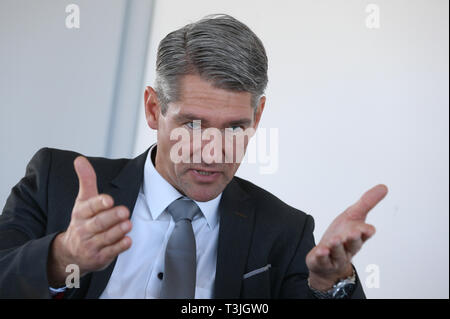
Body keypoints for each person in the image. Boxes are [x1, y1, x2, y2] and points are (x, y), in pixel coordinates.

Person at [0, 14, 387, 299]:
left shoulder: (285, 230)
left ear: (258, 116)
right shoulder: (55, 183)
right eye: (194, 125)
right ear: (154, 109)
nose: (213, 151)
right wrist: (63, 257)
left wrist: (329, 283)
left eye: (235, 128)